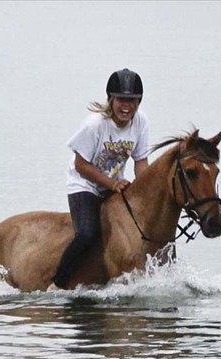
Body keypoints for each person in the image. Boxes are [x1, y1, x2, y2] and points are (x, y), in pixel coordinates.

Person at [48, 68, 150, 291]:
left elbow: (141, 161)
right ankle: (57, 283)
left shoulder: (140, 122)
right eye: (121, 99)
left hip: (114, 185)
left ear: (139, 101)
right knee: (87, 233)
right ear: (111, 99)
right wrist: (112, 184)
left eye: (132, 100)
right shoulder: (95, 125)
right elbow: (80, 165)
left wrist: (145, 195)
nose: (127, 106)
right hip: (84, 185)